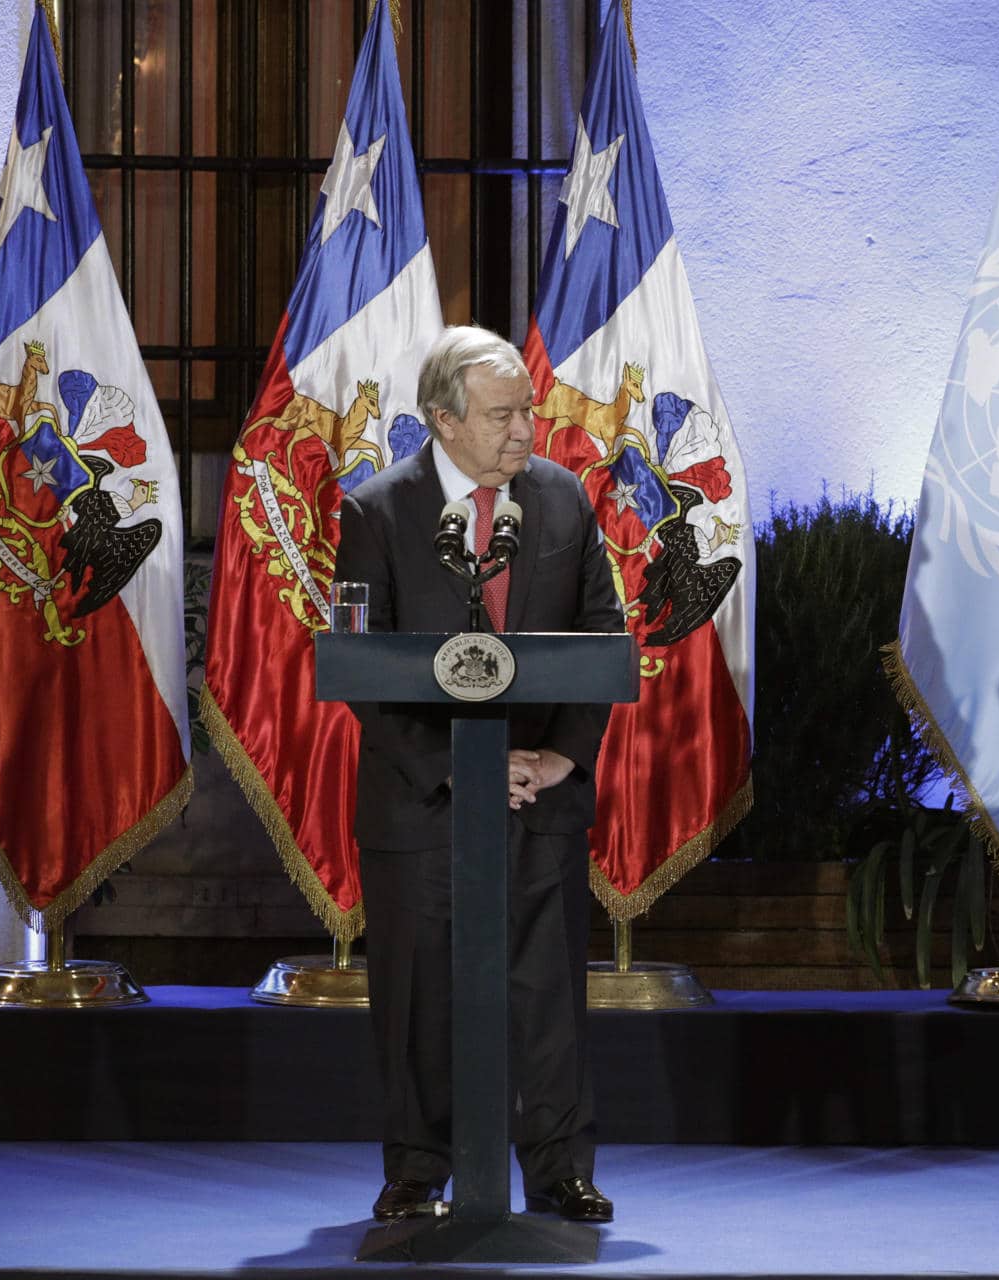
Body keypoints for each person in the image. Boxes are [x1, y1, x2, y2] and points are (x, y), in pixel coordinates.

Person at [333, 325, 624, 1225]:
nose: (525, 430)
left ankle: (558, 1172)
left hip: (541, 798)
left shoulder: (564, 502)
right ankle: (419, 1171)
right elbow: (364, 677)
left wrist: (561, 757)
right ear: (442, 421)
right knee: (421, 993)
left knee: (547, 996)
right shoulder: (378, 513)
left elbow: (602, 643)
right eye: (503, 415)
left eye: (528, 411)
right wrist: (459, 768)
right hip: (421, 804)